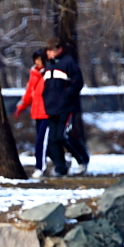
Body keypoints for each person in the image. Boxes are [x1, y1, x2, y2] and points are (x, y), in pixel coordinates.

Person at [41, 37, 89, 176]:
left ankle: (82, 159)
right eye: (47, 51)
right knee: (52, 140)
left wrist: (66, 95)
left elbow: (78, 82)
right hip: (51, 108)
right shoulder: (48, 66)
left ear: (59, 49)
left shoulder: (68, 62)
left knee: (64, 136)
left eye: (51, 50)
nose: (48, 53)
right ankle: (60, 167)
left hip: (65, 108)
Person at [14, 50, 49, 178]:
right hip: (37, 112)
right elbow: (29, 93)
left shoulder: (48, 74)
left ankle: (40, 166)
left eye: (40, 60)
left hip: (48, 112)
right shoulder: (33, 74)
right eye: (36, 60)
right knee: (43, 140)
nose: (38, 62)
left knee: (42, 141)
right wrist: (21, 106)